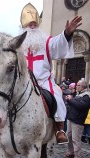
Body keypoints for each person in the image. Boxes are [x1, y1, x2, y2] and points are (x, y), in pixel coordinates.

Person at [20, 2, 82, 144]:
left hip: (43, 82)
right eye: (29, 24)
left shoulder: (46, 41)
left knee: (57, 96)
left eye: (35, 24)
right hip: (24, 82)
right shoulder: (19, 45)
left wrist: (67, 33)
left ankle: (59, 129)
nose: (32, 26)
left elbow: (58, 43)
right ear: (24, 26)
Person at [64, 80, 90, 158]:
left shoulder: (87, 96)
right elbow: (73, 105)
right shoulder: (78, 94)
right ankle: (71, 151)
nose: (77, 86)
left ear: (83, 86)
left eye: (78, 85)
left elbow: (80, 106)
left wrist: (71, 100)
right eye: (77, 85)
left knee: (76, 139)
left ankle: (78, 157)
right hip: (71, 118)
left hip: (78, 120)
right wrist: (69, 100)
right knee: (68, 136)